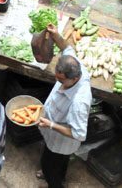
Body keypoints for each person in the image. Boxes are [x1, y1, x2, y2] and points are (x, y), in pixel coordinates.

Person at [36, 25, 92, 188]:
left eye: (61, 81)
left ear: (74, 79)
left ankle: (53, 181)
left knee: (49, 165)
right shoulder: (74, 64)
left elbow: (79, 134)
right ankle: (58, 176)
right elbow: (67, 47)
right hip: (53, 133)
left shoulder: (79, 101)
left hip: (61, 141)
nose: (58, 82)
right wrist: (56, 35)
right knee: (59, 162)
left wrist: (51, 125)